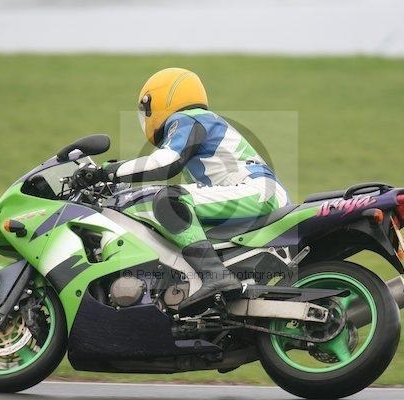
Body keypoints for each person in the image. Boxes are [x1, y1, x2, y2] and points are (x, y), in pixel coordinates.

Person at [76, 67, 289, 315]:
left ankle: (216, 276)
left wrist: (107, 172)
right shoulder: (202, 123)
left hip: (255, 191)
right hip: (257, 193)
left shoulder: (189, 119)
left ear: (160, 100)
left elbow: (165, 163)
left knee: (169, 201)